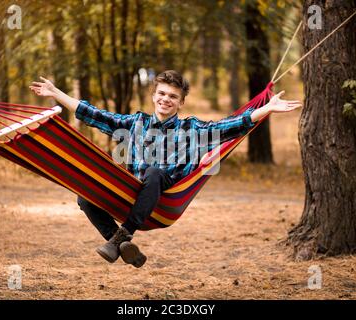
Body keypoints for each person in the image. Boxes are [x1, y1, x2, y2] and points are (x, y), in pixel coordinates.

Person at [30, 70, 301, 268]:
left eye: (173, 96)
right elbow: (93, 114)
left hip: (163, 202)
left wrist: (265, 109)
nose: (166, 99)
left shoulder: (191, 129)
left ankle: (121, 237)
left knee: (155, 172)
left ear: (181, 102)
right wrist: (56, 93)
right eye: (161, 93)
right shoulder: (134, 122)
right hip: (128, 194)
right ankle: (121, 244)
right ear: (153, 96)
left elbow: (229, 127)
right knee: (84, 195)